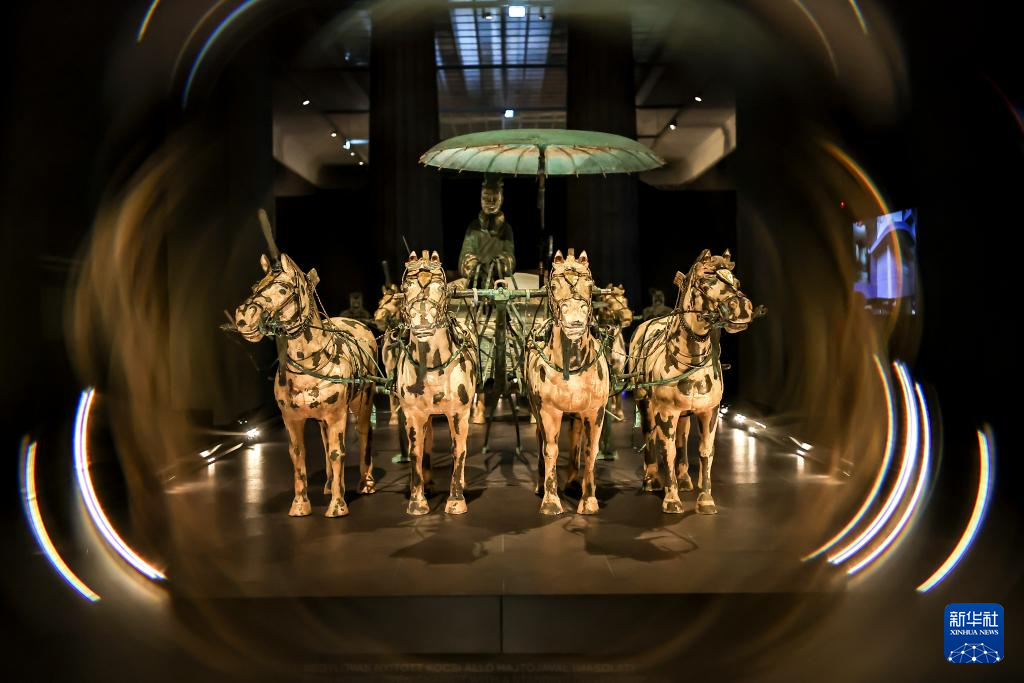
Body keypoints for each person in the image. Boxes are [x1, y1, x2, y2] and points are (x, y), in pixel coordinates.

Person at [458, 175, 515, 288]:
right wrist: (473, 264)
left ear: (501, 198)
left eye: (495, 197)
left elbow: (510, 260)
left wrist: (500, 263)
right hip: (476, 285)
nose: (491, 201)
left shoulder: (506, 228)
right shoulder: (474, 228)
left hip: (498, 285)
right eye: (486, 196)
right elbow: (464, 258)